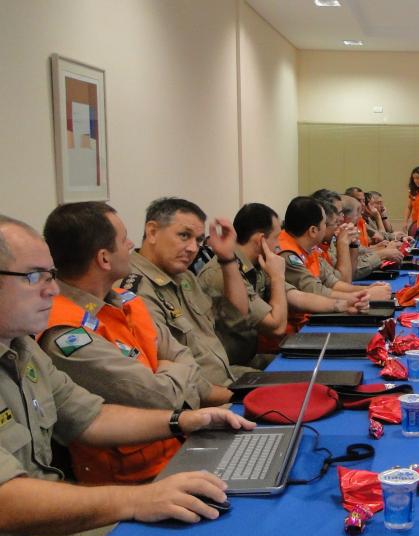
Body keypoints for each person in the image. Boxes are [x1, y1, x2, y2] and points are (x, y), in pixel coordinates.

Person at [0, 215, 254, 536]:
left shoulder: (23, 348)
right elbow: (6, 500)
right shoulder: (57, 332)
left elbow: (90, 417)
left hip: (53, 527)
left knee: (224, 526)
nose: (53, 289)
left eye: (51, 275)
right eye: (34, 277)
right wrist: (138, 500)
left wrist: (184, 420)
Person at [38, 202, 233, 484]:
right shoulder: (66, 334)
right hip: (135, 481)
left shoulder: (125, 300)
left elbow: (183, 355)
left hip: (181, 446)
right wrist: (169, 370)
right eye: (124, 239)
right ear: (104, 259)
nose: (131, 244)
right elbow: (161, 398)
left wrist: (168, 372)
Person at [199, 203, 366, 367]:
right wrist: (277, 277)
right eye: (276, 238)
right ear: (260, 240)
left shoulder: (257, 263)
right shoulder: (225, 273)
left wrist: (342, 305)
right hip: (230, 368)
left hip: (249, 357)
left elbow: (297, 296)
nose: (279, 244)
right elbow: (276, 327)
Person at [126, 198, 257, 386]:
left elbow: (236, 316)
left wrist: (227, 258)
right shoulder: (134, 290)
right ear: (152, 232)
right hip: (202, 396)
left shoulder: (185, 277)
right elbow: (167, 376)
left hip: (228, 376)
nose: (193, 248)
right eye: (184, 236)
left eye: (199, 240)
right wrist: (231, 395)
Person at [278, 196, 391, 302]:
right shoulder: (287, 254)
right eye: (324, 223)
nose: (341, 220)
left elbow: (332, 282)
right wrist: (364, 295)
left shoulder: (310, 247)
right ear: (313, 231)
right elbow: (316, 291)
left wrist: (367, 289)